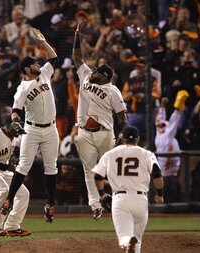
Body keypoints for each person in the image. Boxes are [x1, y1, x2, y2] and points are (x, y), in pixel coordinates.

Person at [1, 28, 59, 224]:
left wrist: (43, 42)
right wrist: (16, 122)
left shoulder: (44, 74)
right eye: (33, 63)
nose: (37, 63)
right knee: (23, 166)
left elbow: (54, 59)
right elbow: (15, 110)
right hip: (32, 129)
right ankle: (9, 199)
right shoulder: (23, 88)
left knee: (51, 167)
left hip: (51, 129)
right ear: (26, 69)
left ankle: (50, 204)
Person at [72, 21, 127, 220]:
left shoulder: (112, 90)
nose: (92, 72)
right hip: (84, 132)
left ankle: (118, 199)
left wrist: (122, 132)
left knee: (111, 168)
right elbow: (77, 57)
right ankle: (96, 205)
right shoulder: (86, 75)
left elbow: (121, 115)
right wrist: (77, 37)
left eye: (97, 72)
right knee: (89, 170)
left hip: (105, 133)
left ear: (104, 77)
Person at [92, 126, 164, 253]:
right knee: (138, 240)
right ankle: (132, 243)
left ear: (121, 139)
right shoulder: (146, 154)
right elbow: (157, 173)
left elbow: (98, 176)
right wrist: (159, 194)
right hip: (141, 199)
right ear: (138, 139)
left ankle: (126, 241)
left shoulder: (110, 154)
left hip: (120, 199)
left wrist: (102, 194)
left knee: (124, 237)